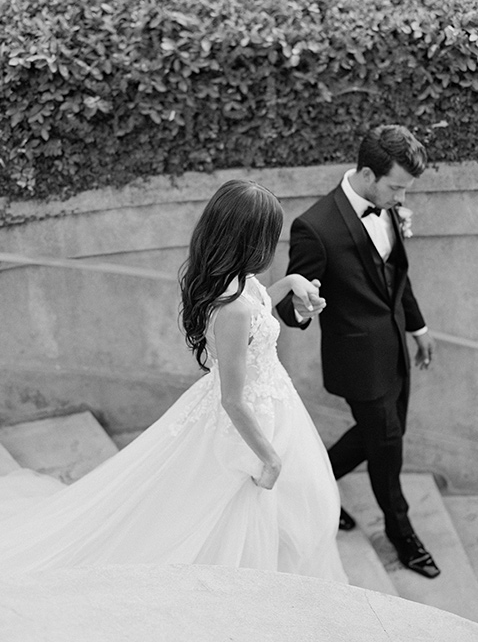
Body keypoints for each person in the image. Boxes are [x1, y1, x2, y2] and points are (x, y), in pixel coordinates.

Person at [0, 180, 347, 583]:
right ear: (252, 241)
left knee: (291, 519)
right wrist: (269, 458)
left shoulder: (237, 282)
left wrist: (292, 284)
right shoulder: (231, 309)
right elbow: (233, 400)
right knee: (234, 524)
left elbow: (259, 307)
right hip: (248, 425)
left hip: (273, 405)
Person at [276, 125, 440, 579]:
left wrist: (418, 326)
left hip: (395, 350)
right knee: (387, 449)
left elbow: (394, 278)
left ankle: (314, 486)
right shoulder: (316, 226)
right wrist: (303, 306)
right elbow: (291, 308)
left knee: (386, 434)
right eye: (397, 186)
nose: (402, 196)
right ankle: (401, 533)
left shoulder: (387, 206)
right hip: (357, 362)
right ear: (368, 174)